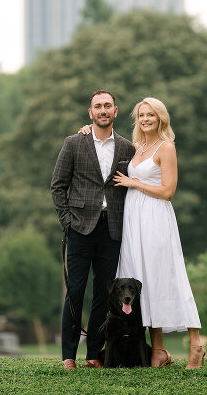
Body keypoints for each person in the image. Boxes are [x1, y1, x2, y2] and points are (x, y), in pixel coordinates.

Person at [81, 97, 205, 369]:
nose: (146, 119)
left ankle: (196, 346)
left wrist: (133, 182)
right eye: (141, 115)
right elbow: (106, 139)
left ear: (161, 118)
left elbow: (168, 191)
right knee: (146, 282)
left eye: (151, 115)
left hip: (156, 218)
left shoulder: (166, 147)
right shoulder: (138, 148)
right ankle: (158, 351)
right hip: (134, 220)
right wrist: (87, 130)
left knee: (167, 277)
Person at [51, 90, 136, 371]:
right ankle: (69, 356)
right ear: (90, 113)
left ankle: (94, 355)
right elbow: (58, 185)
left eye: (107, 106)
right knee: (75, 292)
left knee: (104, 293)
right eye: (97, 106)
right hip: (79, 227)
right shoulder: (74, 142)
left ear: (115, 111)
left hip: (112, 229)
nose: (102, 110)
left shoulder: (126, 147)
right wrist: (67, 220)